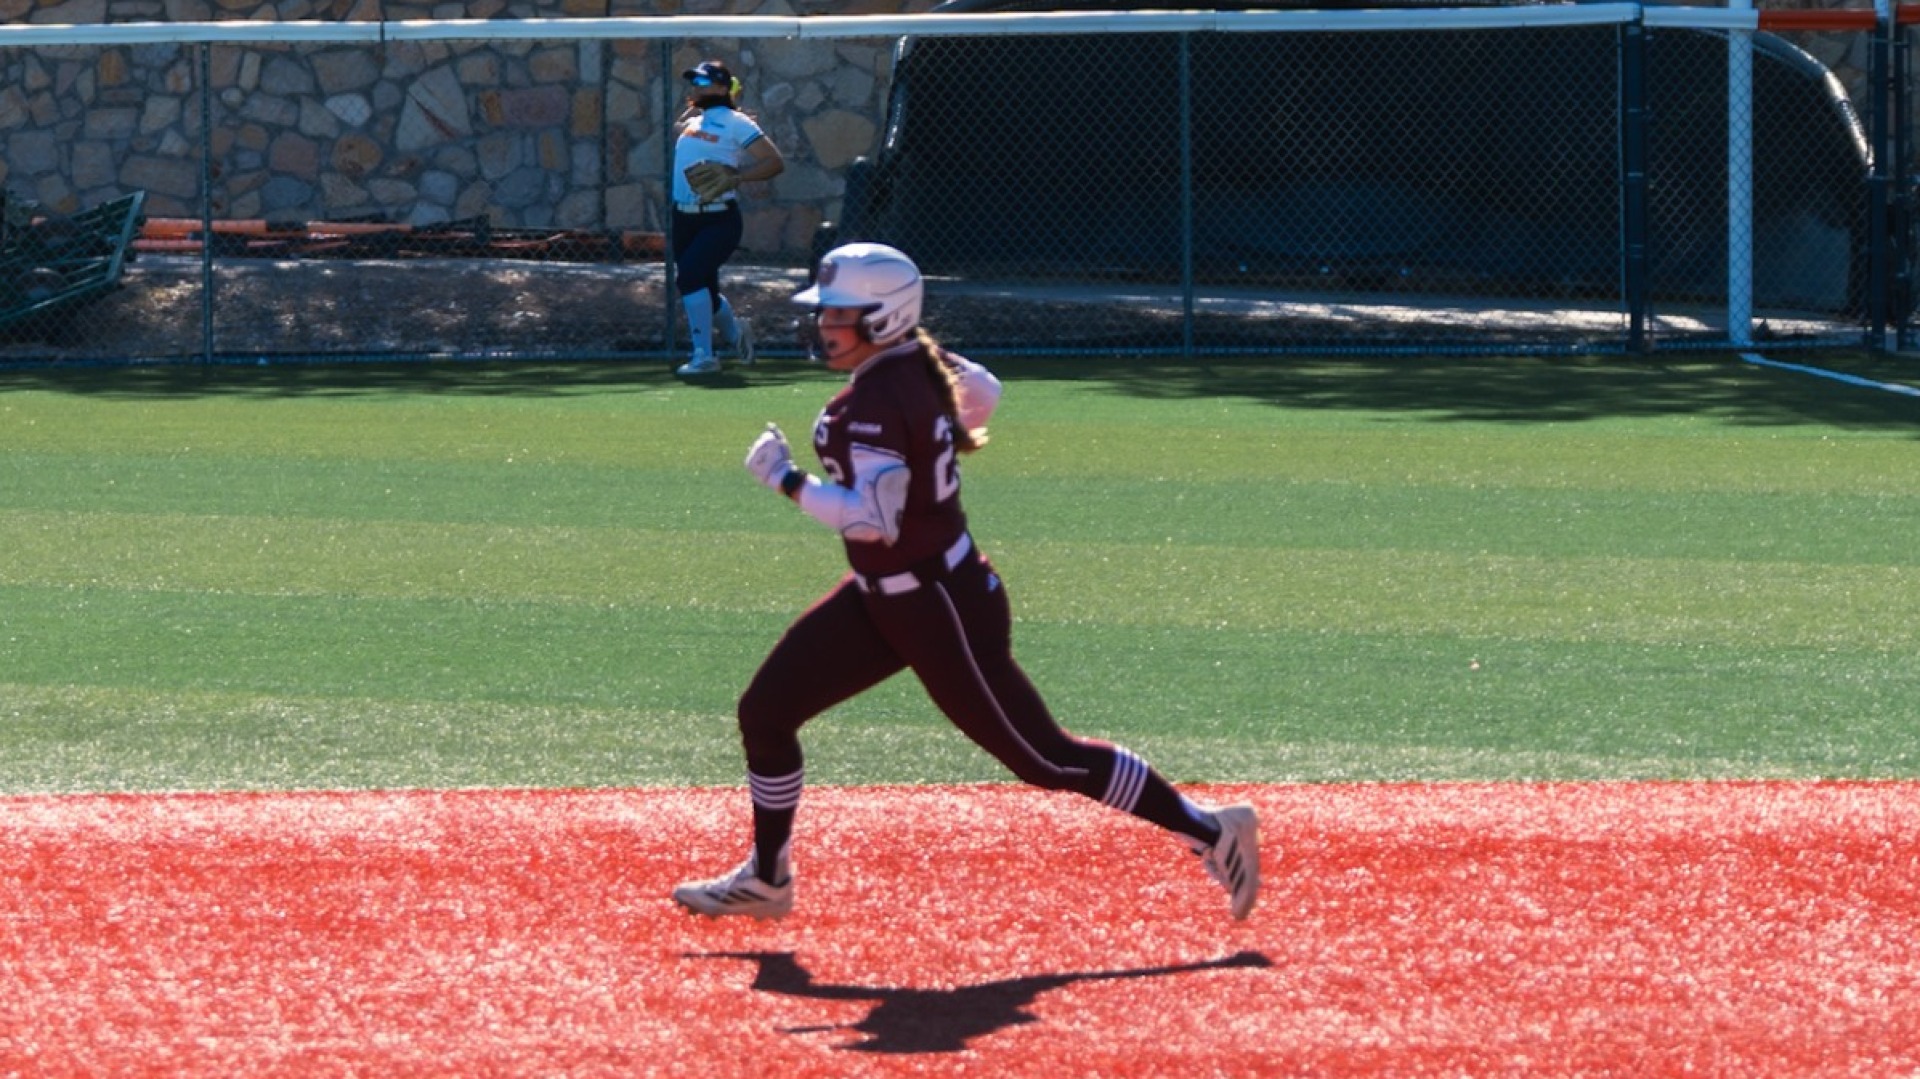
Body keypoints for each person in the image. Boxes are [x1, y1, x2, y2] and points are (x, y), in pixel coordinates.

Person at [672, 242, 1260, 921]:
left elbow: (875, 521)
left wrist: (784, 477)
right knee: (766, 711)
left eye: (838, 312)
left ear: (884, 319)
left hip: (937, 605)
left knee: (1048, 759)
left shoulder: (878, 396)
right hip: (894, 595)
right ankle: (768, 877)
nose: (822, 324)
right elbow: (984, 393)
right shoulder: (917, 364)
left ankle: (1213, 830)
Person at [669, 59, 785, 377]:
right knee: (703, 285)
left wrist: (736, 177)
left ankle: (704, 355)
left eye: (704, 83)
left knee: (689, 277)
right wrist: (694, 109)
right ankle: (736, 335)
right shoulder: (697, 120)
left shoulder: (737, 123)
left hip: (719, 218)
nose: (696, 87)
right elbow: (680, 126)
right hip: (684, 218)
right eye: (694, 82)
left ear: (722, 87)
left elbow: (774, 162)